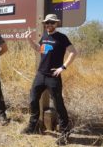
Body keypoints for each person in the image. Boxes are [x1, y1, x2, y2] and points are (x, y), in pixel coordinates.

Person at [21, 14, 77, 145]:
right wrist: (29, 39)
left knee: (58, 104)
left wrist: (63, 67)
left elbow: (73, 52)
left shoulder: (62, 38)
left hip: (53, 76)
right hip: (40, 75)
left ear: (56, 23)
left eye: (52, 23)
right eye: (47, 23)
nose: (49, 25)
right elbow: (39, 49)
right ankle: (33, 127)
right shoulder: (45, 36)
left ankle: (64, 133)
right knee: (33, 99)